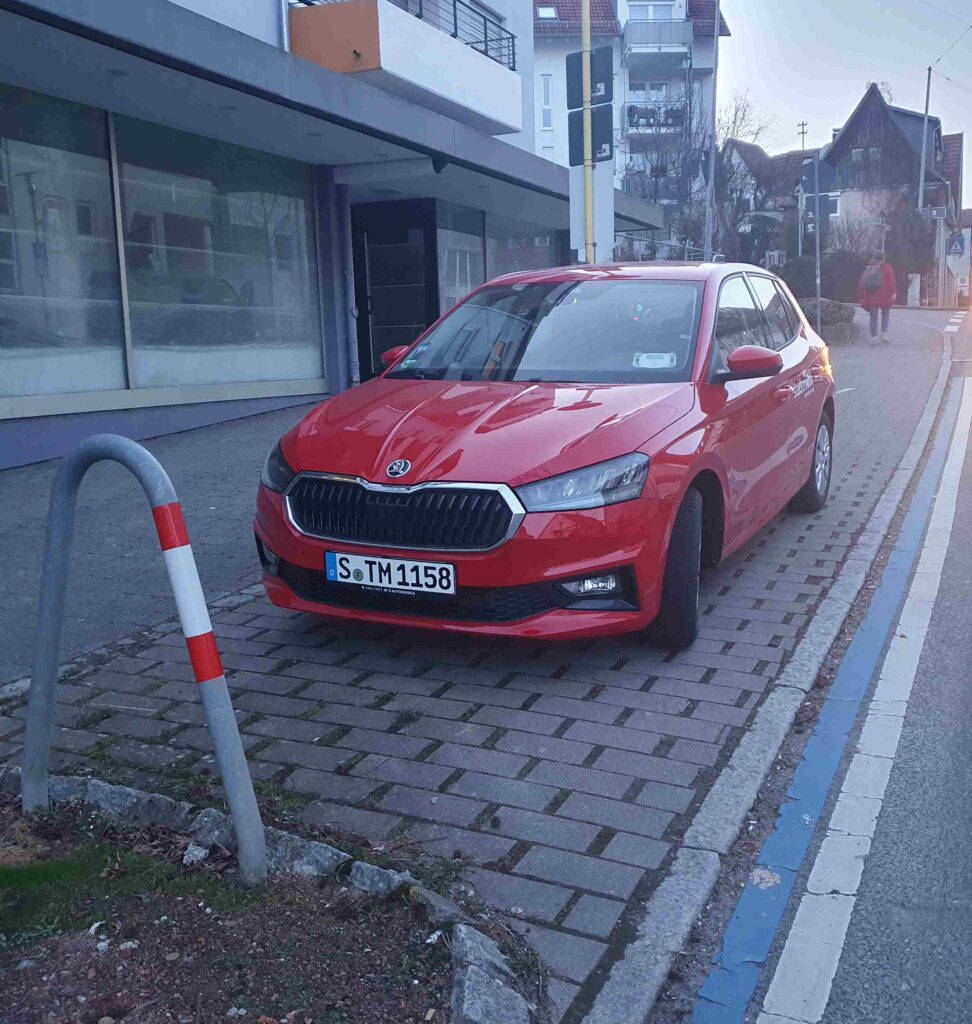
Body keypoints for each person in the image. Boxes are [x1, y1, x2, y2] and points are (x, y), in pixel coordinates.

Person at [858, 252, 897, 345]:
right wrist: (893, 292)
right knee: (885, 313)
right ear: (883, 258)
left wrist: (861, 296)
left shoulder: (869, 268)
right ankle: (884, 334)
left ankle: (874, 338)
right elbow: (892, 281)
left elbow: (862, 283)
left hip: (872, 295)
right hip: (885, 294)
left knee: (873, 317)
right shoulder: (886, 267)